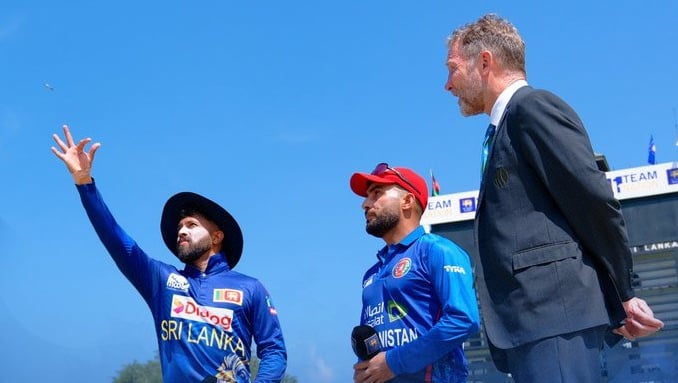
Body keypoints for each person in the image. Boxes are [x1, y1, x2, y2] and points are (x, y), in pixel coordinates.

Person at [444, 14, 664, 382]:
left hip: (552, 322)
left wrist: (623, 295)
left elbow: (592, 201)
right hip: (534, 328)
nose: (447, 85)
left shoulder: (532, 109)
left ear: (484, 62)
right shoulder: (503, 128)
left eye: (452, 69)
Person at [51, 125, 287, 383]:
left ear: (218, 236)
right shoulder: (161, 281)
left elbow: (274, 351)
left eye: (192, 225)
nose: (182, 232)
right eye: (179, 227)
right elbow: (117, 239)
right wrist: (85, 184)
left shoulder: (251, 288)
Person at [350, 163, 480, 383]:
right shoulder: (371, 274)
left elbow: (463, 320)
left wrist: (393, 362)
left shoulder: (438, 250)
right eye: (366, 197)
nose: (365, 204)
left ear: (407, 201)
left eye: (377, 193)